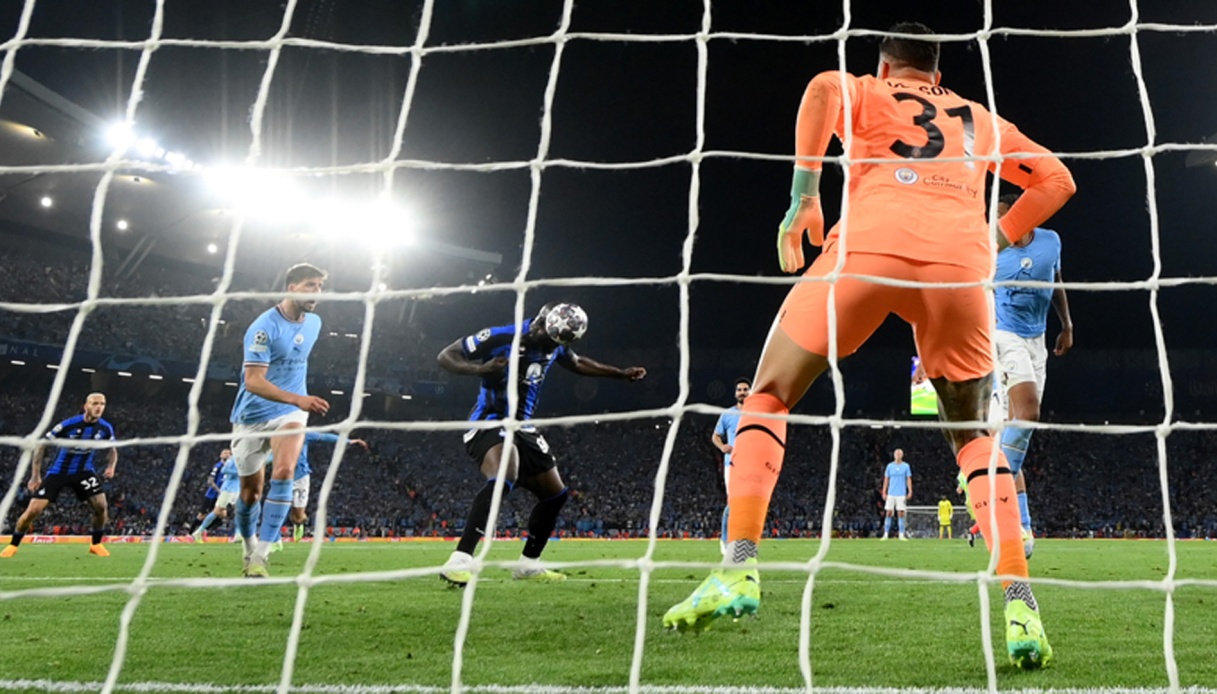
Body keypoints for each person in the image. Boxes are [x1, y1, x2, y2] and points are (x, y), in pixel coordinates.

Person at [662, 22, 1075, 671]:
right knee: (973, 438)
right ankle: (1020, 604)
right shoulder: (980, 118)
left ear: (885, 69)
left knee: (768, 395)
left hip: (865, 250)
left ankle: (738, 567)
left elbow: (821, 88)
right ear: (938, 76)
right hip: (957, 271)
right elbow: (1056, 180)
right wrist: (993, 238)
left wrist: (804, 197)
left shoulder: (865, 90)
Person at [435, 302, 646, 586]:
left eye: (556, 343)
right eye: (544, 335)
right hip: (491, 420)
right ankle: (460, 559)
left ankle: (528, 565)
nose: (548, 344)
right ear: (542, 321)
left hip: (524, 427)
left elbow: (577, 363)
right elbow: (446, 356)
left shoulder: (556, 343)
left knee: (555, 495)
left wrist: (619, 373)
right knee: (504, 473)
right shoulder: (501, 336)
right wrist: (480, 369)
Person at [229, 263, 330, 578]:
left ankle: (261, 555)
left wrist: (298, 402)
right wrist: (298, 398)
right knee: (250, 493)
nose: (317, 292)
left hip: (290, 414)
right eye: (310, 285)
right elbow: (253, 381)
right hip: (252, 416)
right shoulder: (263, 327)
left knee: (285, 470)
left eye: (320, 286)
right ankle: (249, 546)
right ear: (291, 287)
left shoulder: (314, 323)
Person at [994, 192, 1073, 559]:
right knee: (1028, 412)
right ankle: (987, 485)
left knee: (1019, 432)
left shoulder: (1050, 241)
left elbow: (1056, 281)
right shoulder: (991, 251)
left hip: (1036, 340)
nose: (996, 225)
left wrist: (1067, 325)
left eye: (1002, 217)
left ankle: (1022, 525)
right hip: (1002, 335)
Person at [1, 393, 118, 558]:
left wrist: (111, 466)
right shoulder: (68, 425)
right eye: (95, 403)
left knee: (101, 506)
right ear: (86, 406)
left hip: (83, 471)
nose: (99, 407)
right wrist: (35, 475)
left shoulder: (105, 428)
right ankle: (13, 545)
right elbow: (41, 445)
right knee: (33, 510)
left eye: (102, 404)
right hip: (59, 472)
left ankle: (96, 544)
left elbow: (112, 449)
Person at [267, 430, 369, 545]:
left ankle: (298, 524)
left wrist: (348, 441)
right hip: (282, 478)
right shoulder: (276, 437)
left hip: (301, 478)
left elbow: (325, 437)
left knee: (298, 516)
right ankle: (274, 541)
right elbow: (269, 455)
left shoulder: (303, 435)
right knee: (276, 510)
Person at [711, 377, 752, 555]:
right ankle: (725, 539)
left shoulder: (758, 414)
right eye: (739, 390)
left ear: (751, 392)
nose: (742, 392)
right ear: (735, 393)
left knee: (749, 504)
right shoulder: (728, 414)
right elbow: (715, 436)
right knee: (733, 502)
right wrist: (722, 447)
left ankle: (743, 540)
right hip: (733, 464)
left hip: (753, 464)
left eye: (745, 389)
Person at [192, 449, 237, 541]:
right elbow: (210, 481)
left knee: (223, 515)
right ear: (220, 455)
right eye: (225, 453)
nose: (227, 454)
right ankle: (191, 533)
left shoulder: (232, 464)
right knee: (201, 515)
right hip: (212, 494)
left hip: (225, 492)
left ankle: (202, 531)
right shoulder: (218, 466)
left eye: (229, 453)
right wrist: (219, 490)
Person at [881, 449, 913, 540]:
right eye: (897, 454)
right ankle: (886, 534)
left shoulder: (906, 466)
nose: (898, 455)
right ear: (894, 455)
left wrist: (910, 490)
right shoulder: (890, 466)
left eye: (900, 454)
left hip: (901, 493)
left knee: (901, 513)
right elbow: (886, 479)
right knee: (888, 512)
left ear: (902, 455)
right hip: (891, 493)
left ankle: (901, 534)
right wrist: (884, 491)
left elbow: (908, 479)